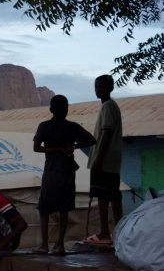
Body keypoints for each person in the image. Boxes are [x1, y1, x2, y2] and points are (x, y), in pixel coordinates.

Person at [32, 95, 96, 255]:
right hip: (67, 171)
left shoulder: (44, 126)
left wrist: (56, 149)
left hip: (52, 171)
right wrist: (72, 146)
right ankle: (59, 244)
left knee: (45, 208)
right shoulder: (72, 127)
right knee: (64, 208)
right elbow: (91, 140)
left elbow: (36, 148)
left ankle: (44, 245)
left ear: (51, 109)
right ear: (66, 110)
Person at [86, 75, 123, 245]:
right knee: (114, 196)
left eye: (100, 87)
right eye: (96, 86)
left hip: (105, 160)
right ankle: (120, 231)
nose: (97, 90)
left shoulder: (108, 106)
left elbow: (106, 133)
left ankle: (104, 233)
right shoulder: (111, 106)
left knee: (102, 196)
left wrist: (99, 159)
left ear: (109, 88)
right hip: (111, 161)